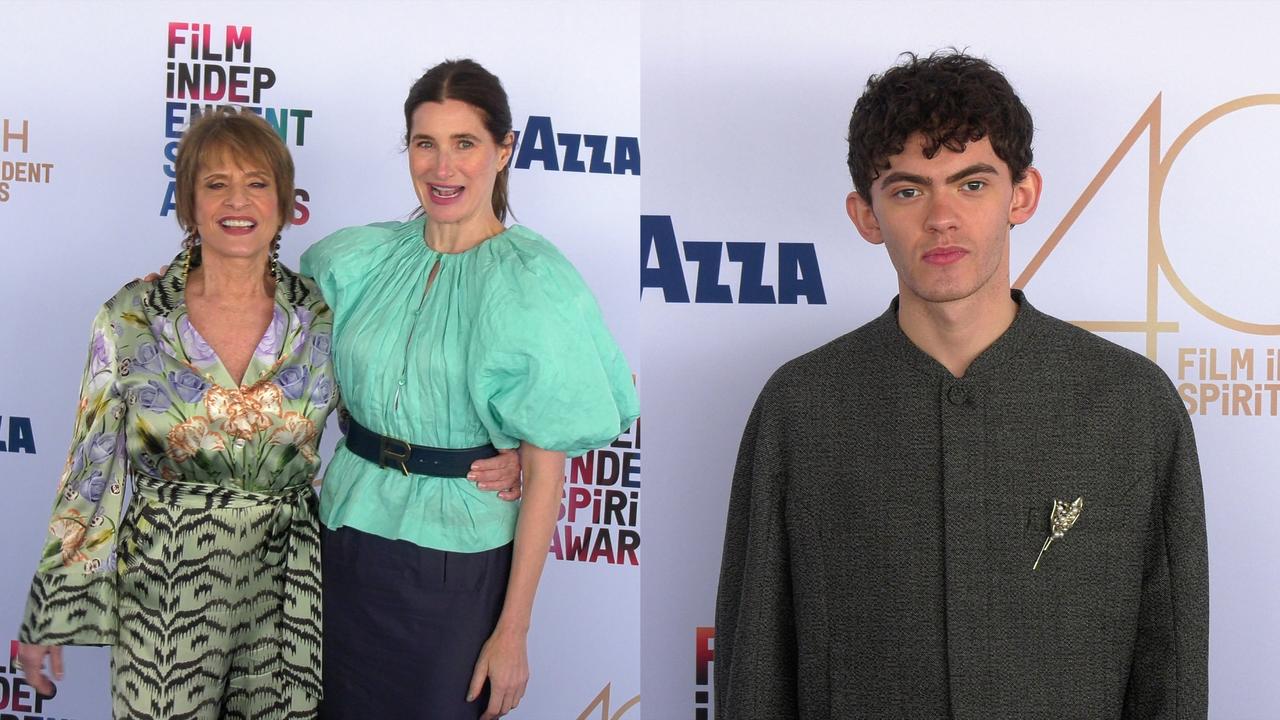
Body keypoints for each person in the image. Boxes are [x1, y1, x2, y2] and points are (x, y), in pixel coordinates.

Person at [715, 51, 1208, 719]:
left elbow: (1171, 672)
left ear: (1022, 195)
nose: (941, 217)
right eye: (909, 190)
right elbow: (756, 673)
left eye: (971, 184)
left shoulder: (1131, 405)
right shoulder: (801, 408)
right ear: (867, 214)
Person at [301, 58, 638, 720]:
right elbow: (269, 351)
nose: (442, 167)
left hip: (457, 570)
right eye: (425, 143)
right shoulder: (353, 262)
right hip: (341, 545)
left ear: (504, 150)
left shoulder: (535, 284)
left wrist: (513, 633)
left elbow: (545, 475)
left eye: (465, 144)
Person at [16, 109, 337, 717]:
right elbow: (94, 465)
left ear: (285, 201)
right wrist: (52, 609)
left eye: (257, 182)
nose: (236, 200)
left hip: (287, 591)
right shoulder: (132, 316)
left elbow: (381, 422)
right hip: (164, 592)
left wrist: (483, 459)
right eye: (215, 184)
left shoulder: (321, 313)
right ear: (188, 204)